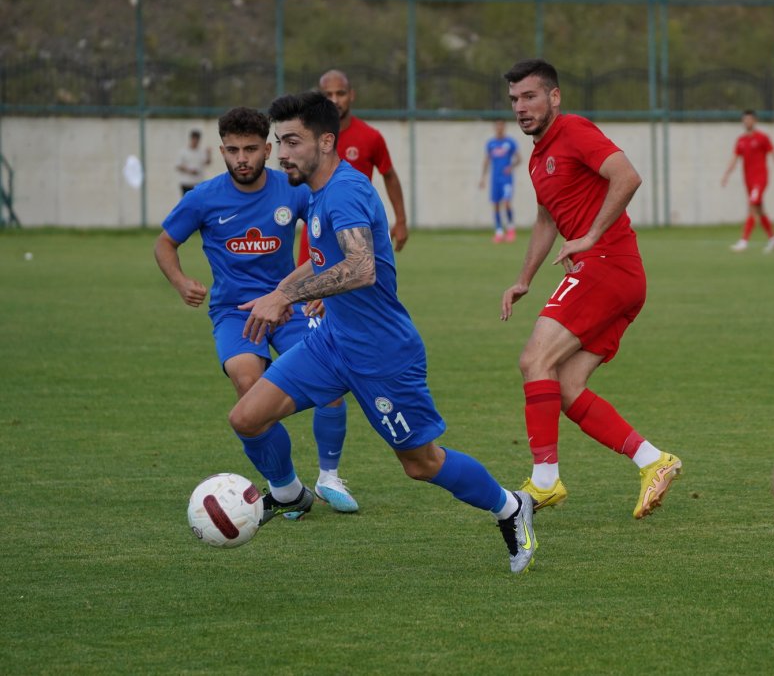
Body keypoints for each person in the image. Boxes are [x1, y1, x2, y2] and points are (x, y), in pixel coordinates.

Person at [231, 91, 537, 573]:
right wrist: (280, 290)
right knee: (247, 417)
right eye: (278, 141)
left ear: (326, 141)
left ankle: (511, 506)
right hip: (331, 343)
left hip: (382, 354)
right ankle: (290, 493)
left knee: (421, 464)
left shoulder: (347, 192)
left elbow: (361, 267)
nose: (281, 153)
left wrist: (284, 298)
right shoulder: (316, 191)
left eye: (291, 141)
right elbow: (321, 259)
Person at [500, 58, 681, 519]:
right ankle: (653, 460)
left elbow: (628, 177)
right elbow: (546, 220)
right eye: (515, 100)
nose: (521, 107)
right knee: (563, 385)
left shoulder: (575, 130)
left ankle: (544, 482)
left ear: (554, 97)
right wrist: (523, 280)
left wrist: (592, 235)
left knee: (533, 360)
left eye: (530, 97)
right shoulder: (539, 158)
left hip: (607, 265)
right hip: (614, 274)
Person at [154, 106, 358, 514]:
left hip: (289, 305)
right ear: (221, 151)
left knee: (332, 383)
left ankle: (330, 478)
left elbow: (330, 238)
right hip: (234, 312)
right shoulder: (204, 198)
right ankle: (287, 488)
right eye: (232, 150)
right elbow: (164, 244)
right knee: (249, 386)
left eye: (250, 149)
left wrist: (316, 287)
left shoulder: (293, 190)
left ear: (268, 149)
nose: (241, 158)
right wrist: (180, 282)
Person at [296, 69, 408, 264]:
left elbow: (389, 175)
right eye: (327, 95)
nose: (335, 100)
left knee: (360, 287)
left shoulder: (370, 136)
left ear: (351, 95)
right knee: (310, 291)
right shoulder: (307, 137)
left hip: (357, 227)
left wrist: (401, 221)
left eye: (340, 93)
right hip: (316, 228)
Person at [721, 110, 774, 253]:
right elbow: (735, 158)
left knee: (751, 207)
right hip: (748, 180)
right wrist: (726, 174)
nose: (747, 122)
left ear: (755, 121)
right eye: (745, 120)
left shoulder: (763, 138)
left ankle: (744, 241)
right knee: (759, 209)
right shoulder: (741, 140)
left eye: (750, 119)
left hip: (760, 179)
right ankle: (773, 239)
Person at [479, 120, 521, 243]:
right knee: (496, 204)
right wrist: (483, 178)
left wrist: (511, 166)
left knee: (507, 202)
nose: (499, 129)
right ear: (494, 128)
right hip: (495, 179)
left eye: (501, 127)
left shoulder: (510, 142)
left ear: (504, 128)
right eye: (497, 127)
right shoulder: (491, 144)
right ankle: (499, 232)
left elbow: (519, 159)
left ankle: (511, 229)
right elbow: (486, 161)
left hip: (506, 179)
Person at [176, 129, 212, 197]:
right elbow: (178, 166)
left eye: (197, 140)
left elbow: (207, 163)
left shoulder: (201, 151)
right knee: (187, 204)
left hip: (198, 183)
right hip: (186, 183)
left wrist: (209, 154)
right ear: (191, 139)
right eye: (194, 139)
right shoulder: (183, 151)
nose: (195, 141)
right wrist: (189, 170)